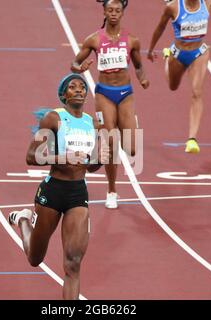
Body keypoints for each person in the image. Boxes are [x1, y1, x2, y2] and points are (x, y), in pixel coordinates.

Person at [8, 73, 108, 300]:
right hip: (52, 192)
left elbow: (90, 167)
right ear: (64, 95)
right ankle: (23, 220)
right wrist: (63, 157)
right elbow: (31, 156)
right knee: (35, 259)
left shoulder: (92, 123)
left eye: (82, 86)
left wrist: (100, 158)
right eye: (73, 87)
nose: (79, 89)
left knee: (73, 263)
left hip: (77, 194)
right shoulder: (54, 118)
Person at [71, 0, 150, 209]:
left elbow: (139, 66)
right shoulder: (94, 39)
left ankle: (128, 124)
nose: (114, 13)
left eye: (117, 10)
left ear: (122, 13)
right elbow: (74, 63)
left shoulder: (132, 40)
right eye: (110, 10)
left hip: (125, 94)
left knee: (132, 149)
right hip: (104, 94)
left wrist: (143, 79)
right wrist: (80, 68)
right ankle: (112, 190)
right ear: (104, 12)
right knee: (111, 143)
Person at [147, 0, 211, 153]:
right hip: (179, 54)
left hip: (199, 53)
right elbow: (160, 27)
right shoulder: (173, 7)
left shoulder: (207, 2)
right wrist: (150, 49)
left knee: (197, 92)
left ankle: (192, 139)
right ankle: (167, 57)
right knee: (173, 86)